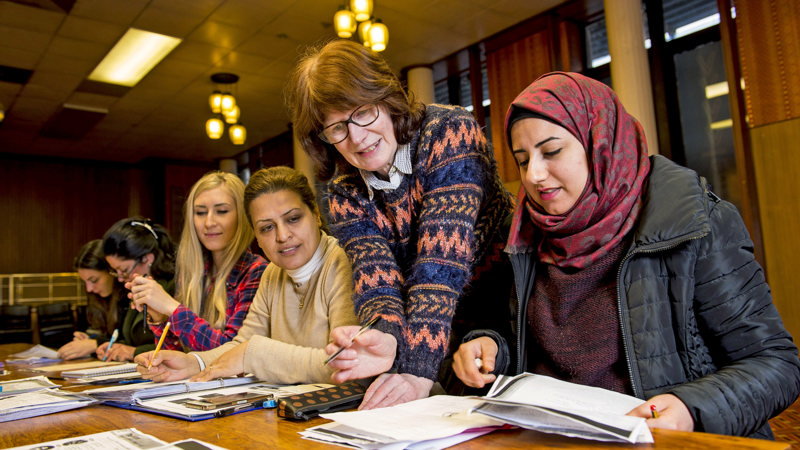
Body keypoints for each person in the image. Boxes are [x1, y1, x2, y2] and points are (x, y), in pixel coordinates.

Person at [449, 72, 800, 439]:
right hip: (556, 441)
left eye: (551, 152)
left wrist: (690, 408)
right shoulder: (522, 234)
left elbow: (776, 365)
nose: (534, 175)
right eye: (522, 160)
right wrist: (489, 346)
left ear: (601, 144)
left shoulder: (698, 223)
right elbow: (511, 333)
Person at [288, 39, 515, 409]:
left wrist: (415, 368)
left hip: (505, 310)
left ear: (386, 98)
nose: (356, 138)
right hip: (438, 329)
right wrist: (384, 334)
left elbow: (439, 263)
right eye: (336, 129)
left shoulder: (449, 132)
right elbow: (376, 274)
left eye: (362, 113)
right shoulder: (344, 190)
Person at [135, 166, 359, 384]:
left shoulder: (346, 262)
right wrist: (194, 362)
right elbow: (242, 344)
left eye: (293, 219)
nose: (282, 236)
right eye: (267, 228)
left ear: (317, 215)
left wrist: (254, 354)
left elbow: (345, 363)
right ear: (257, 238)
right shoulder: (273, 272)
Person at [126, 171, 267, 352]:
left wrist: (170, 307)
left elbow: (233, 353)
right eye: (200, 213)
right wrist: (159, 317)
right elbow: (177, 355)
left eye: (221, 211)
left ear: (242, 216)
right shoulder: (191, 273)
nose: (208, 222)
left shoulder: (257, 271)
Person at [100, 217, 176, 361]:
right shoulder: (135, 287)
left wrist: (134, 352)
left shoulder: (175, 287)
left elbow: (182, 345)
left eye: (124, 270)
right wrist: (116, 347)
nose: (120, 278)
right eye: (116, 272)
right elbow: (133, 339)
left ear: (147, 259)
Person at [57, 240, 134, 360]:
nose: (89, 289)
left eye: (94, 280)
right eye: (85, 282)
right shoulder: (98, 299)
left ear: (112, 271)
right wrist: (88, 339)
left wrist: (95, 344)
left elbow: (136, 343)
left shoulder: (131, 297)